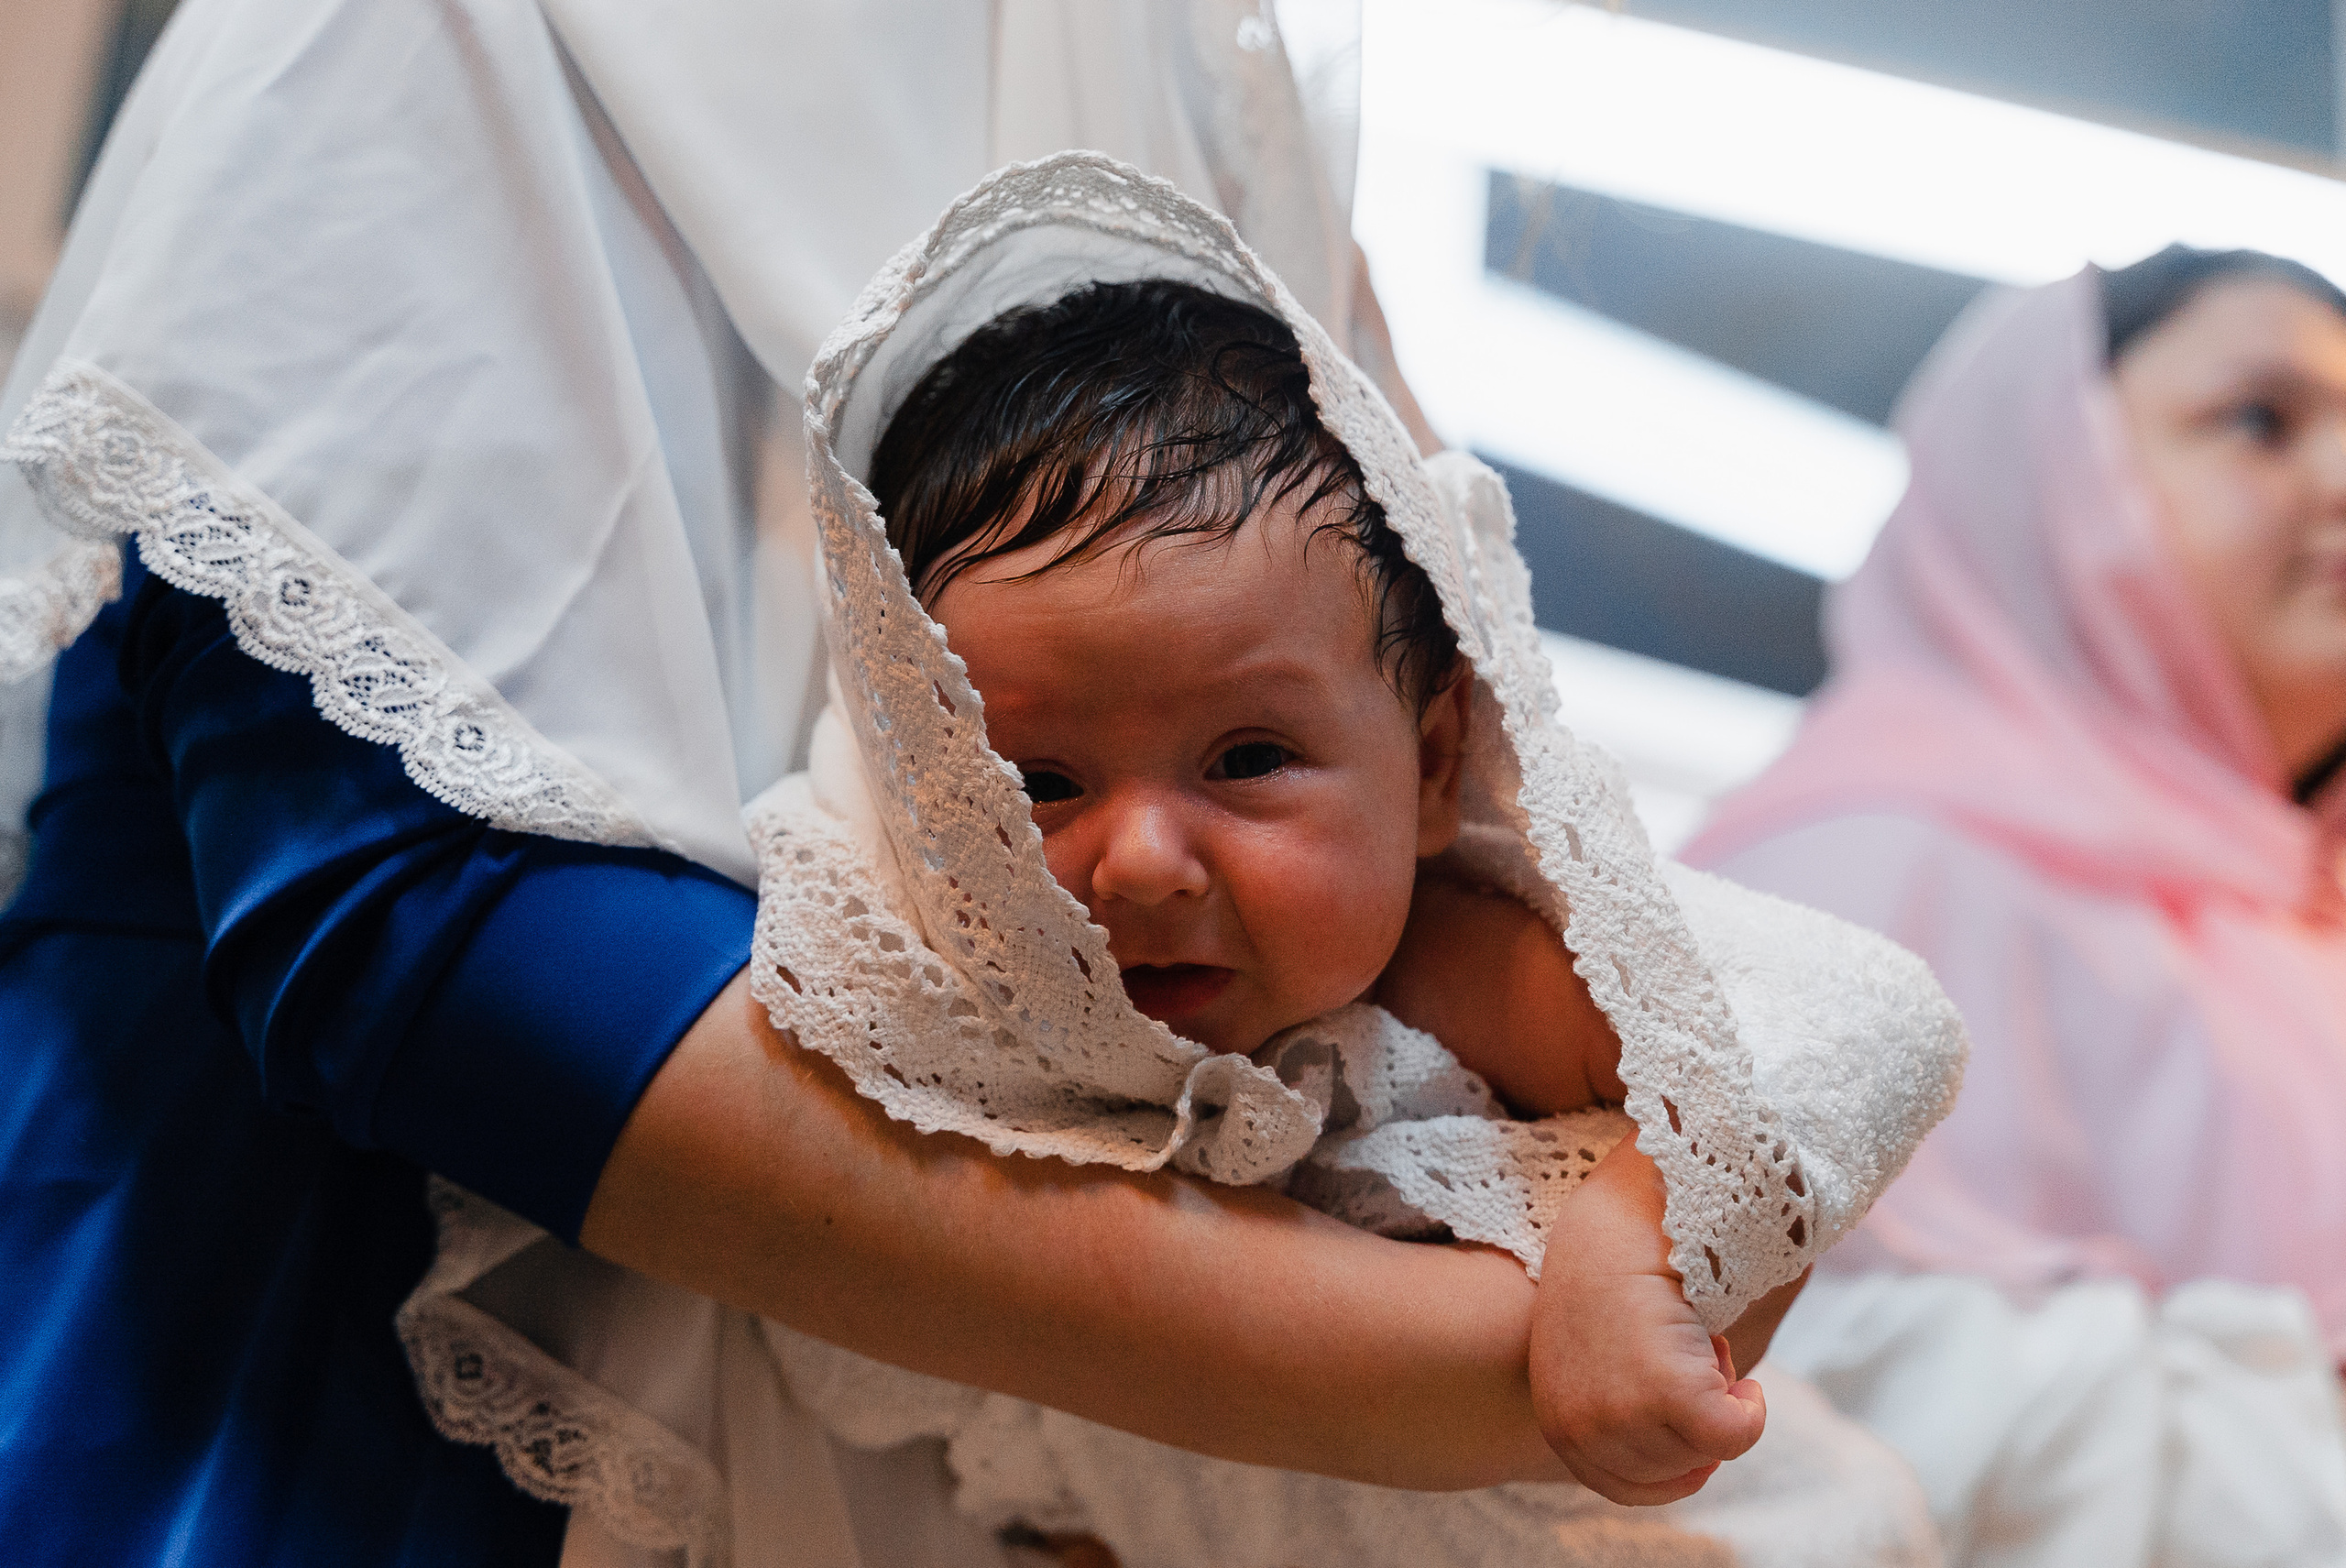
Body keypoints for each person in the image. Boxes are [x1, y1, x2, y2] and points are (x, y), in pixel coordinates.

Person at [0, 5, 1583, 1564]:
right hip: (313, 1358)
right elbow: (403, 933)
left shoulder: (1161, 56)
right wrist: (1433, 1360)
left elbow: (1463, 793)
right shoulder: (385, 38)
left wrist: (1657, 1166)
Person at [437, 152, 1968, 1567]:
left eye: (1246, 762)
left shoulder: (1450, 955)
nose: (1147, 862)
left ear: (1432, 765)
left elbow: (1849, 1023)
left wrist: (1626, 1259)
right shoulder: (912, 1006)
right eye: (1036, 782)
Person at [1685, 247, 2346, 1565]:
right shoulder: (1854, 869)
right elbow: (1770, 1416)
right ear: (2048, 477)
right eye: (2261, 421)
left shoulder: (2296, 927)